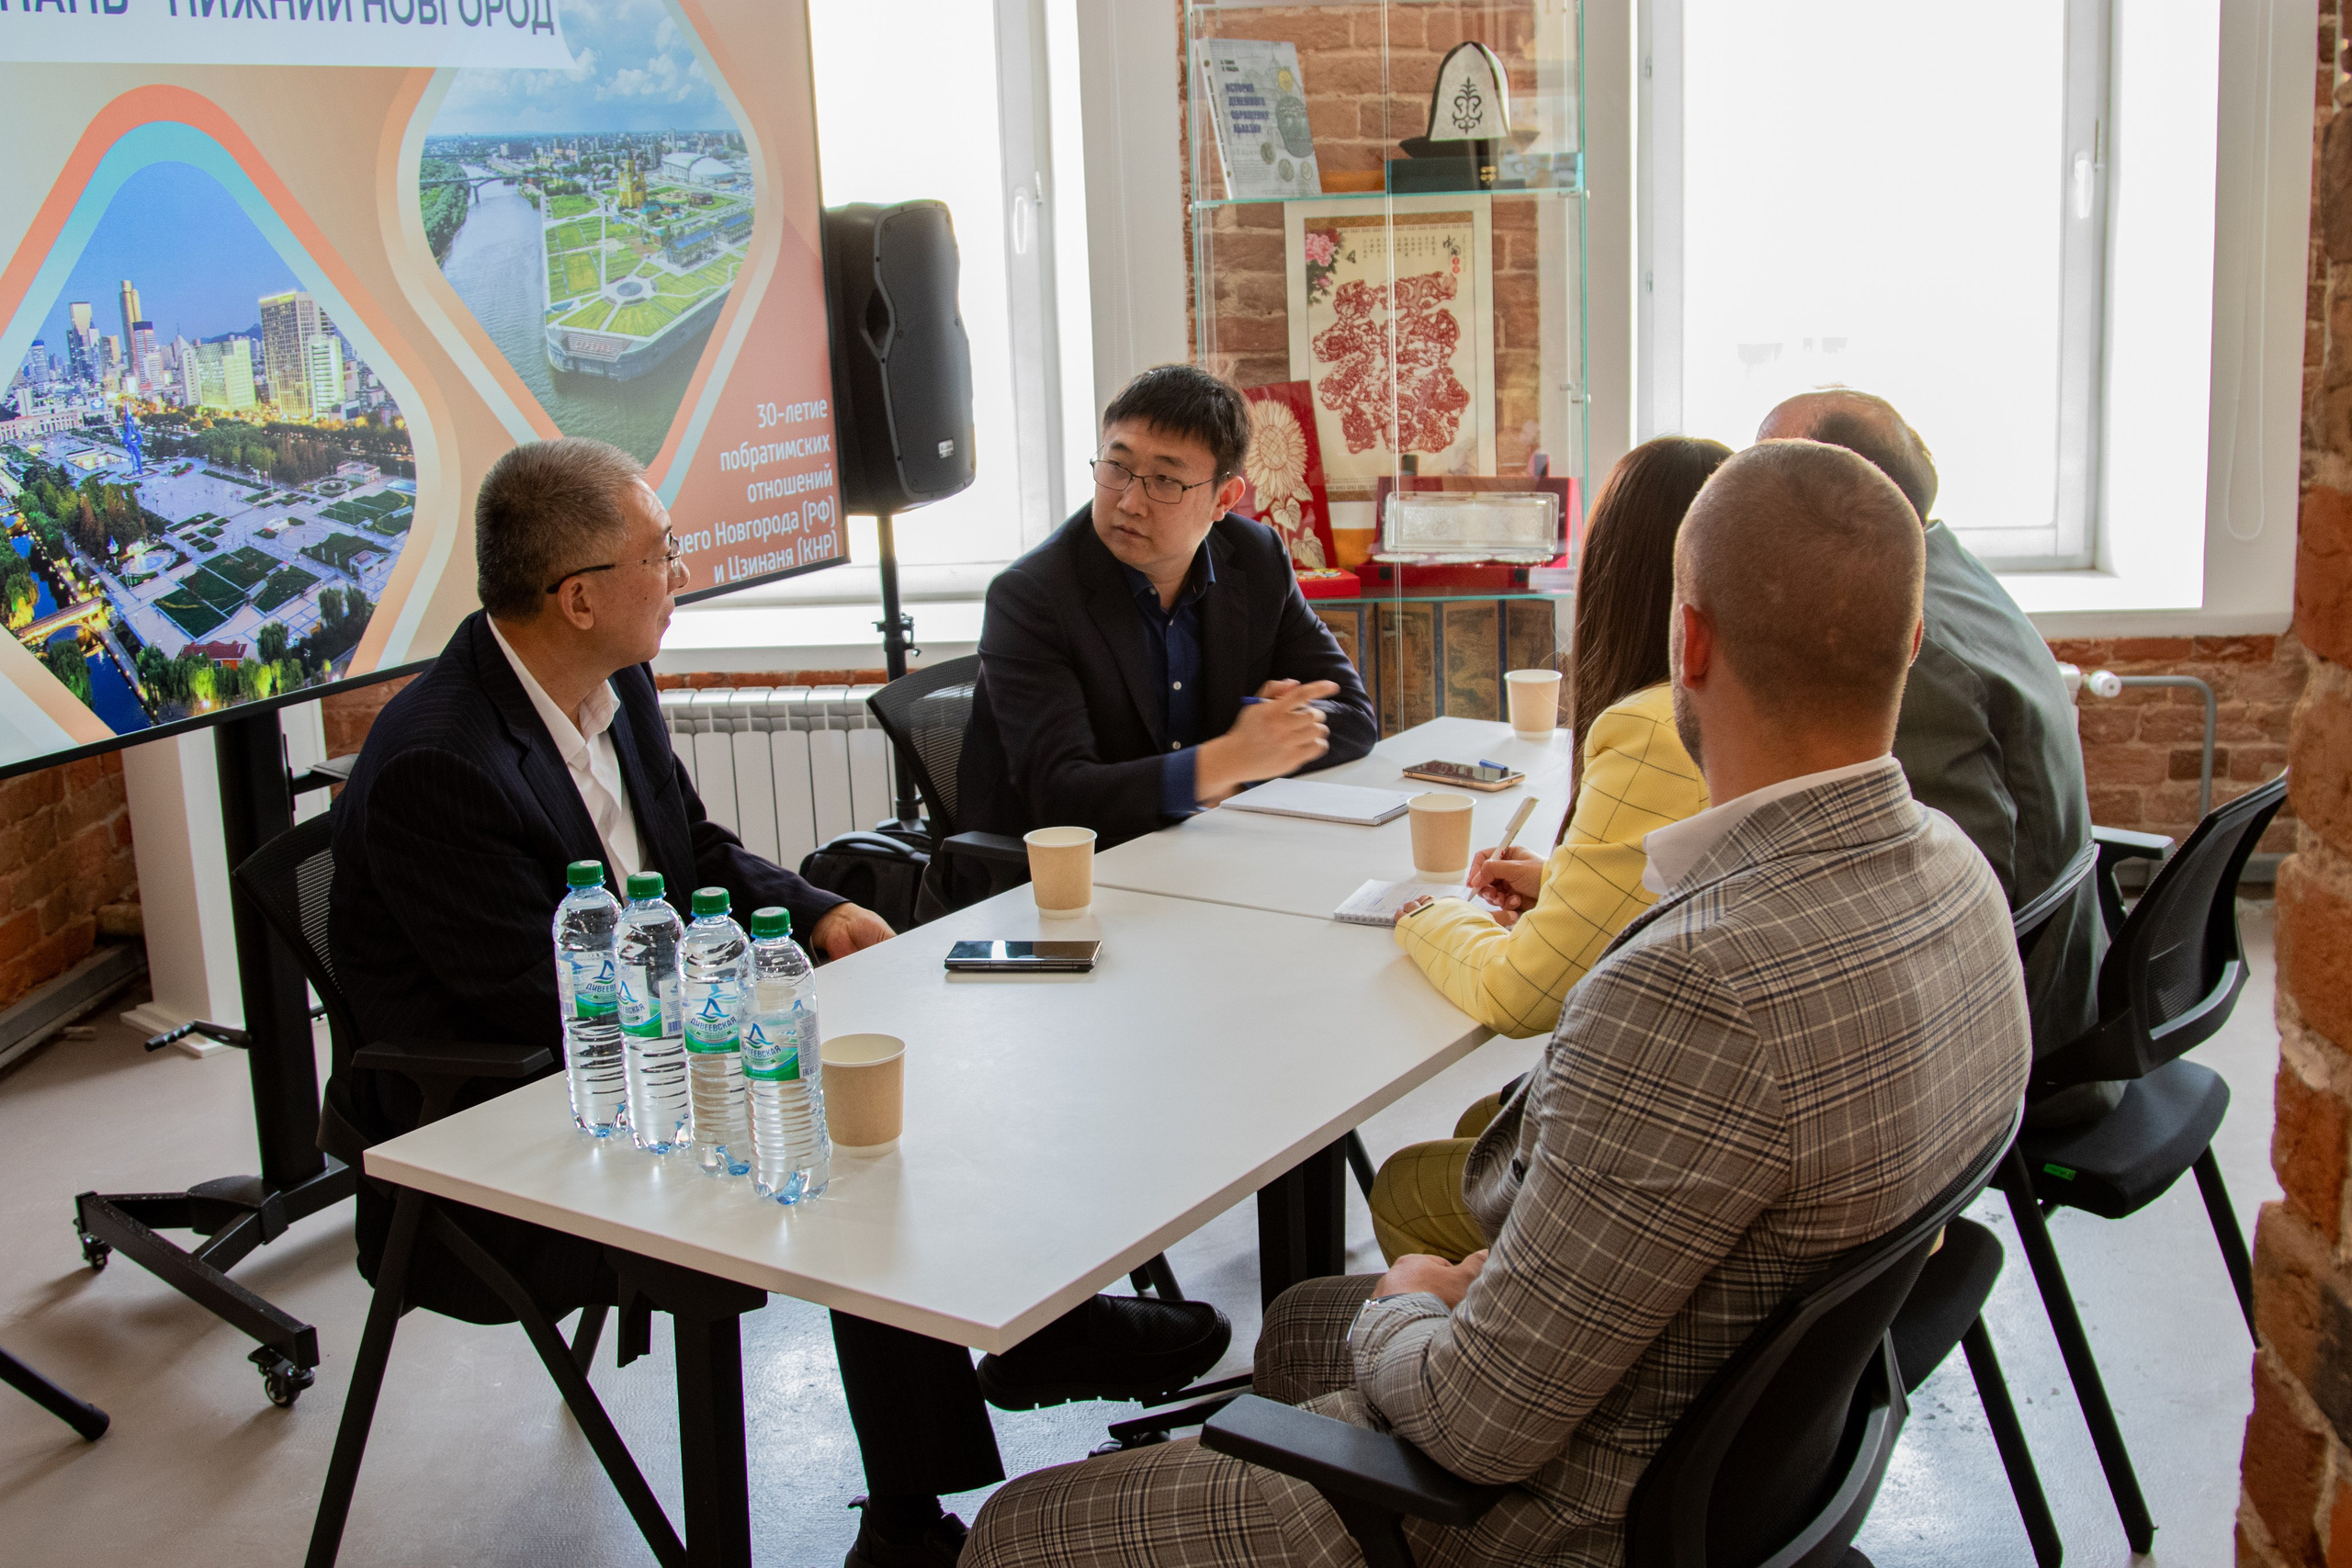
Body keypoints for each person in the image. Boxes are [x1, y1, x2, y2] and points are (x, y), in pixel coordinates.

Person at [962, 439, 2032, 1568]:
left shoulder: (1691, 992)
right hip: (1749, 1456)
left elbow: (1475, 1427)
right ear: (1907, 641)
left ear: (1692, 641)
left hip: (1551, 1517)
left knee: (1016, 1533)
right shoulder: (1959, 878)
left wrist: (1418, 1296)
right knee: (1295, 1327)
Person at [329, 438, 1226, 1568]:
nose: (681, 574)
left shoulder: (613, 679)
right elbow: (547, 1003)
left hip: (632, 1060)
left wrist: (813, 914)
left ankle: (1019, 1350)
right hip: (501, 1135)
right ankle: (931, 1489)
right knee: (845, 1126)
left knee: (897, 1066)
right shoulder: (439, 764)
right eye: (660, 555)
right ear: (577, 598)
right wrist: (765, 1001)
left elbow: (690, 852)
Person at [1375, 435, 1727, 1262]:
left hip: (1670, 1156)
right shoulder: (1747, 701)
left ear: (1617, 569)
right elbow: (1688, 879)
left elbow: (1520, 993)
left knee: (1408, 1183)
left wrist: (1425, 912)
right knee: (1484, 1121)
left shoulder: (1648, 725)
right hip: (1714, 1107)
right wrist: (1568, 882)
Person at [1757, 390, 2106, 1121]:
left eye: (1767, 469)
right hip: (2072, 981)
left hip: (2013, 1037)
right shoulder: (1946, 569)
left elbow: (1942, 908)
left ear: (1843, 493)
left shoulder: (1913, 653)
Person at [940, 365, 1378, 911]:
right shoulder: (1032, 597)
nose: (1129, 501)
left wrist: (1251, 754)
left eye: (1166, 481)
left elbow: (1355, 719)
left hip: (1197, 867)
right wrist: (1228, 761)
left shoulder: (1256, 559)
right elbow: (1060, 796)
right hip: (1057, 897)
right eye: (1117, 468)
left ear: (1224, 499)